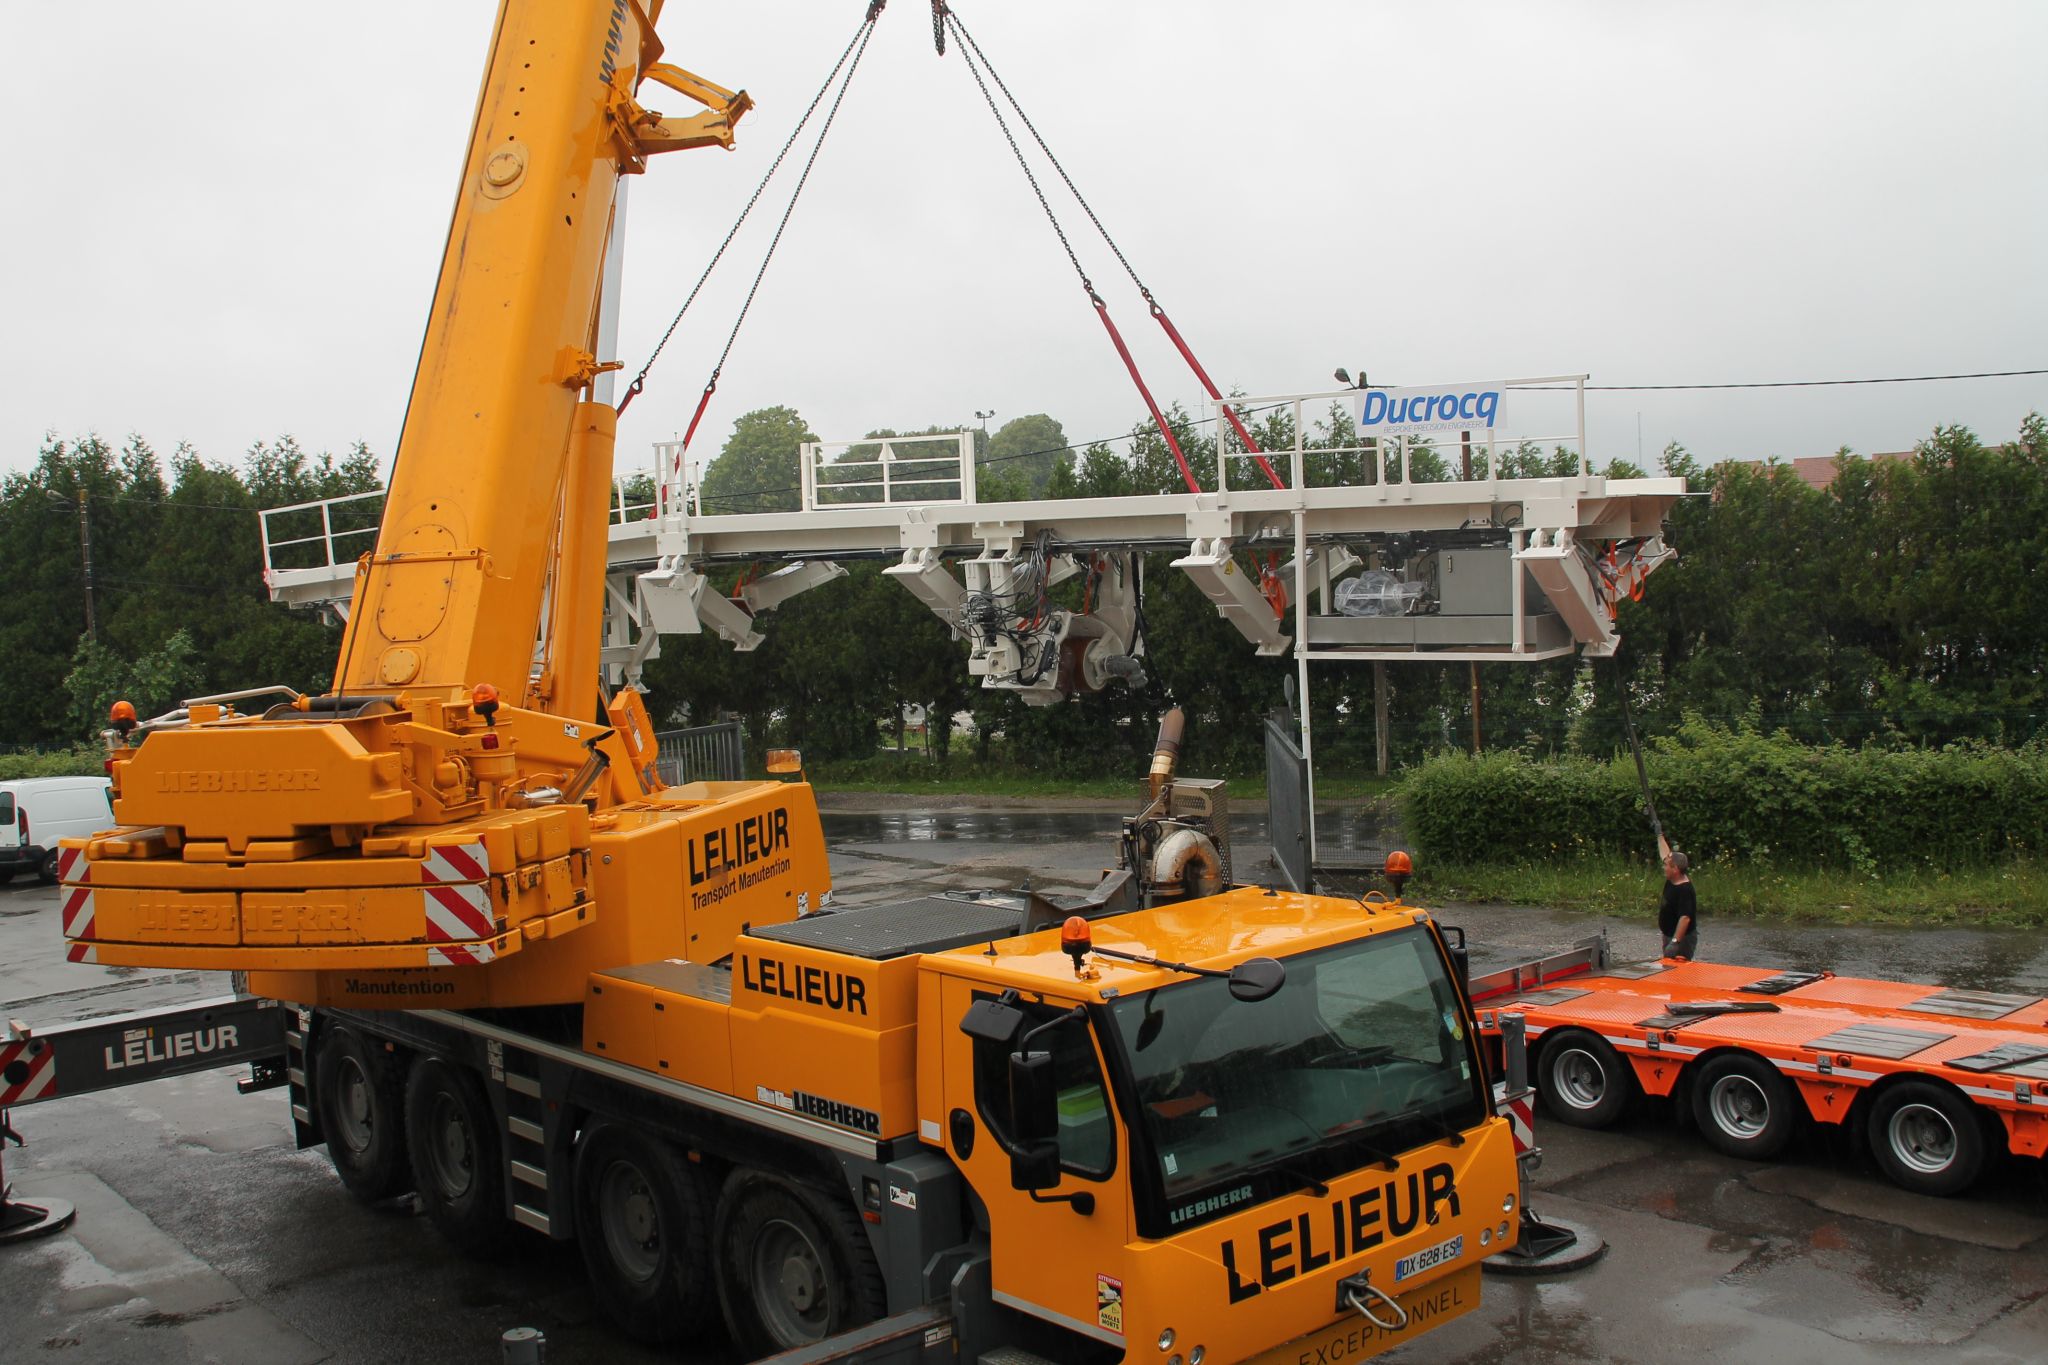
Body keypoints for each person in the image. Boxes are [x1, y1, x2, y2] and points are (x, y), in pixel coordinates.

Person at [1658, 847, 1698, 960]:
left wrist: (1675, 942)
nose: (1663, 867)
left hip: (1682, 939)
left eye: (1665, 865)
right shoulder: (1672, 879)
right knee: (1668, 967)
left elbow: (1685, 918)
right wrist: (1659, 835)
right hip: (1669, 934)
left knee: (1679, 971)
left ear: (1675, 869)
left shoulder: (1684, 890)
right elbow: (1666, 855)